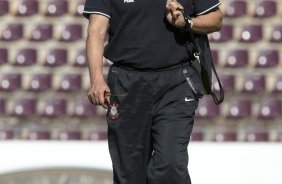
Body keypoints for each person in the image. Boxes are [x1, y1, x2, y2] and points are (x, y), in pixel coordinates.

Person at [83, 0, 223, 183]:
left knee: (170, 164)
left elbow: (216, 19)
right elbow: (96, 30)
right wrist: (96, 79)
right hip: (126, 83)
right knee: (129, 174)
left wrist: (187, 22)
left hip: (177, 82)